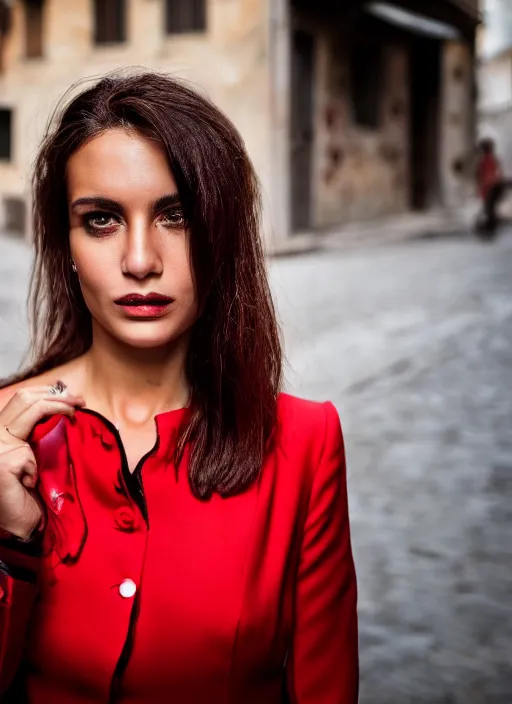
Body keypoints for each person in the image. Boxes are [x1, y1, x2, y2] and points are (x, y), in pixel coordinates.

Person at [0, 71, 358, 703]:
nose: (141, 260)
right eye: (103, 219)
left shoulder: (304, 445)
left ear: (221, 234)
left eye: (176, 215)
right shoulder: (3, 437)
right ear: (65, 243)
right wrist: (10, 547)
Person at [475, 138, 504, 234]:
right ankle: (490, 227)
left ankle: (490, 228)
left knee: (489, 208)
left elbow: (487, 175)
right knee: (490, 208)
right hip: (493, 186)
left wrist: (484, 185)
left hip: (490, 187)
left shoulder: (486, 160)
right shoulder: (491, 159)